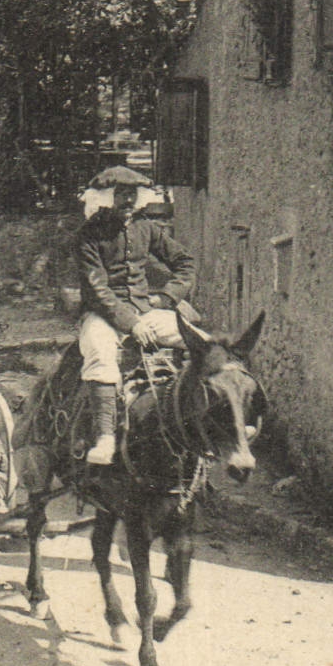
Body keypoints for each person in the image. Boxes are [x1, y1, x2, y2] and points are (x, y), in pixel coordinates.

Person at [73, 166, 195, 466]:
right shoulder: (89, 234)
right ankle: (105, 437)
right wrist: (132, 324)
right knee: (100, 354)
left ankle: (203, 421)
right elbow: (98, 289)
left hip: (146, 312)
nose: (127, 200)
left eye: (132, 194)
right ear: (105, 197)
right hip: (102, 316)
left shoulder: (147, 228)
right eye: (120, 194)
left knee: (201, 342)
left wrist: (167, 298)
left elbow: (185, 262)